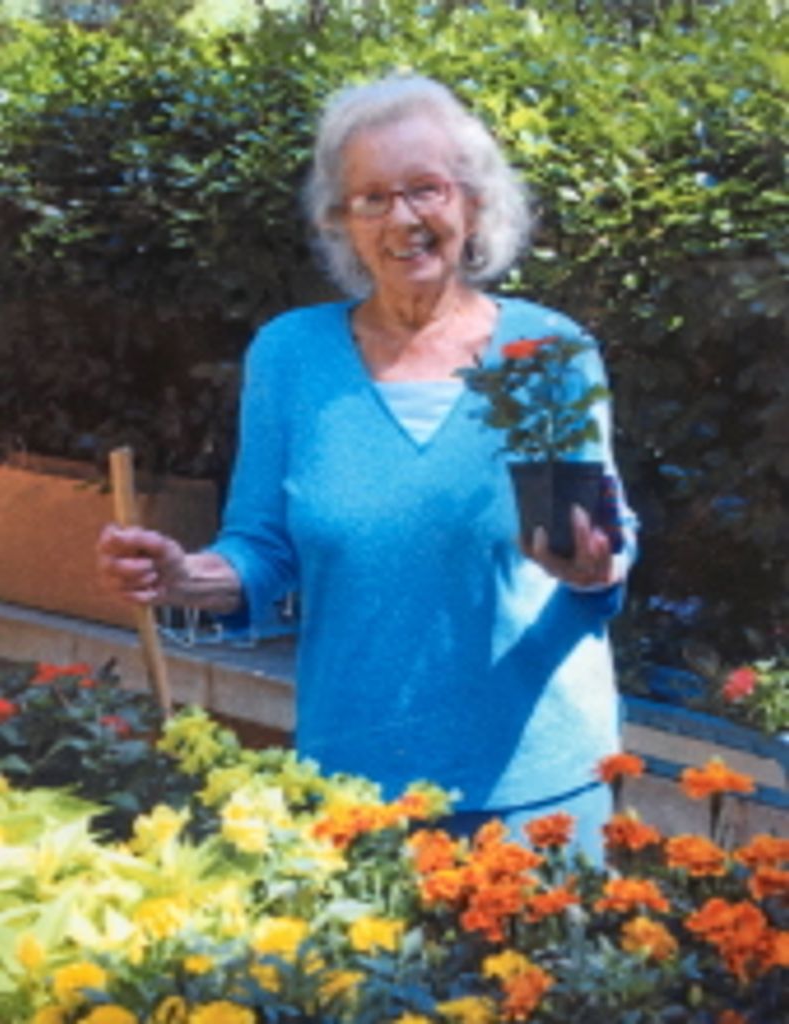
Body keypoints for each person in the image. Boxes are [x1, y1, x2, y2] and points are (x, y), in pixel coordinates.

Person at [97, 73, 637, 863]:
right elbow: (262, 547)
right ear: (341, 223)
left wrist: (594, 564)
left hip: (535, 784)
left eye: (425, 189)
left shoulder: (548, 352)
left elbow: (602, 530)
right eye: (372, 199)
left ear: (472, 202)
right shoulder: (291, 355)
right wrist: (185, 577)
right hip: (355, 783)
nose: (403, 219)